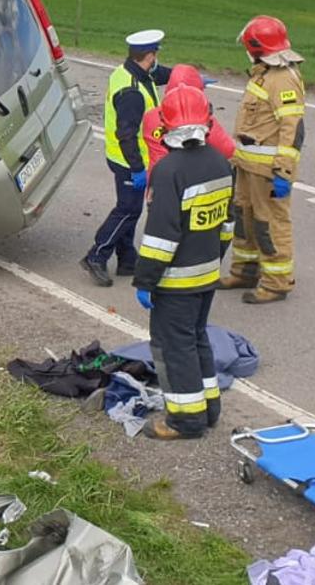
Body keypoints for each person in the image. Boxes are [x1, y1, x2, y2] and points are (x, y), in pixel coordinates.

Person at [132, 84, 235, 440]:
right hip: (207, 276)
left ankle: (185, 420)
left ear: (166, 124)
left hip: (176, 283)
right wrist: (213, 262)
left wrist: (145, 281)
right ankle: (209, 409)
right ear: (207, 120)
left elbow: (161, 236)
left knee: (175, 348)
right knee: (197, 340)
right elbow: (227, 225)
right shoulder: (221, 163)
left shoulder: (169, 171)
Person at [223, 15, 307, 304]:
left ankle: (276, 282)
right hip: (248, 166)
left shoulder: (282, 78)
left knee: (269, 224)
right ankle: (245, 270)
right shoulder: (264, 73)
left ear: (255, 46)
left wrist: (283, 171)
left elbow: (292, 127)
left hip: (267, 171)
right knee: (245, 220)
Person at [82, 29, 174, 287]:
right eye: (155, 54)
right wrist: (137, 168)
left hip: (125, 158)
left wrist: (185, 77)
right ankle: (96, 256)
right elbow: (127, 134)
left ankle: (127, 259)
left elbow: (161, 74)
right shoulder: (131, 92)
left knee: (129, 208)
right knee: (128, 209)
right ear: (150, 55)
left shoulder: (131, 71)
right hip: (128, 160)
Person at [142, 64, 235, 169]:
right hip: (189, 178)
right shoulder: (202, 120)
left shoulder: (150, 117)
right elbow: (228, 150)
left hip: (157, 176)